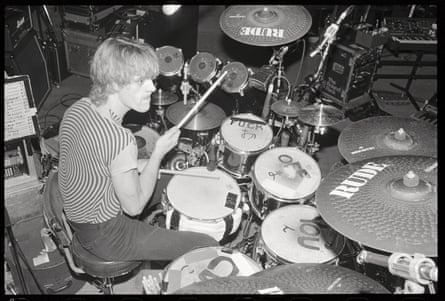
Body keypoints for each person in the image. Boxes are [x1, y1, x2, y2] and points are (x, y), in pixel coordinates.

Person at [58, 36, 218, 262]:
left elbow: (95, 162)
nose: (152, 87)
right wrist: (158, 154)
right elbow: (134, 207)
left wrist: (138, 165)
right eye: (140, 81)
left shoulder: (78, 108)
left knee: (175, 177)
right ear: (113, 83)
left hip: (80, 213)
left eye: (151, 79)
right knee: (207, 245)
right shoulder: (120, 139)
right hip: (107, 236)